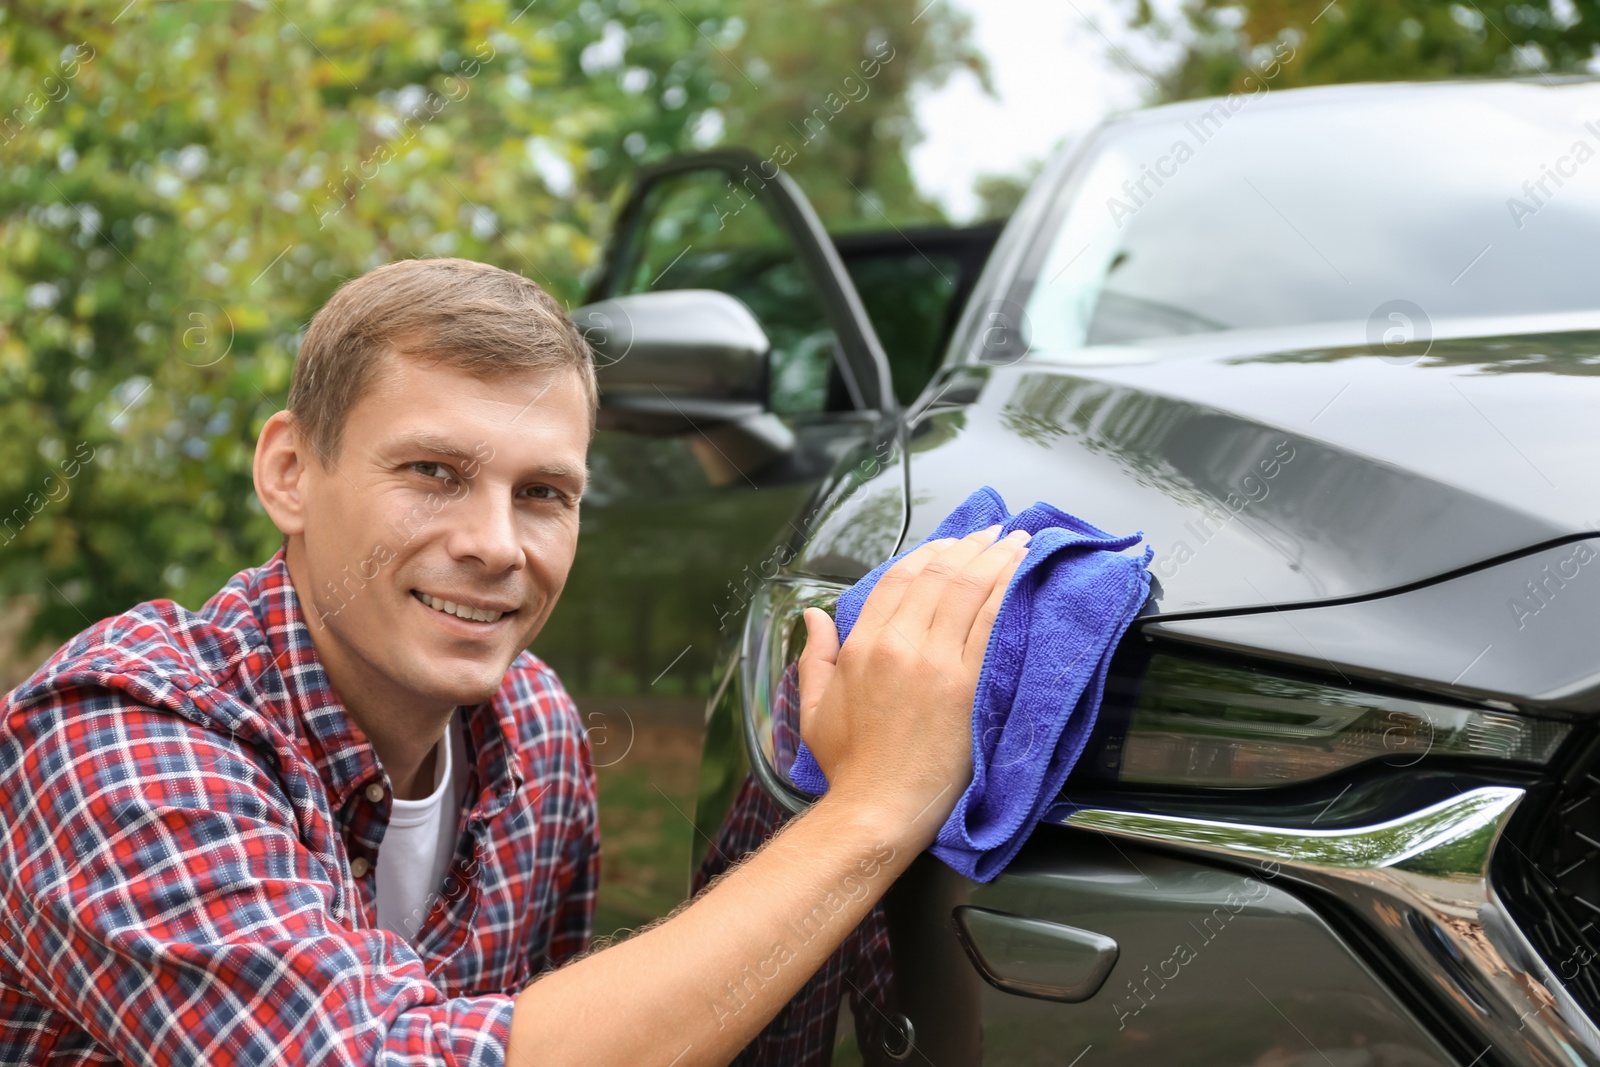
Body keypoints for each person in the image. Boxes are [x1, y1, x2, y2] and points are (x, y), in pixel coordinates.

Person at [0, 257, 1028, 1066]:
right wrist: (870, 813)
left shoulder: (533, 732)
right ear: (289, 472)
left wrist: (818, 768)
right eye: (432, 472)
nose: (495, 544)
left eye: (543, 492)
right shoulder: (120, 732)